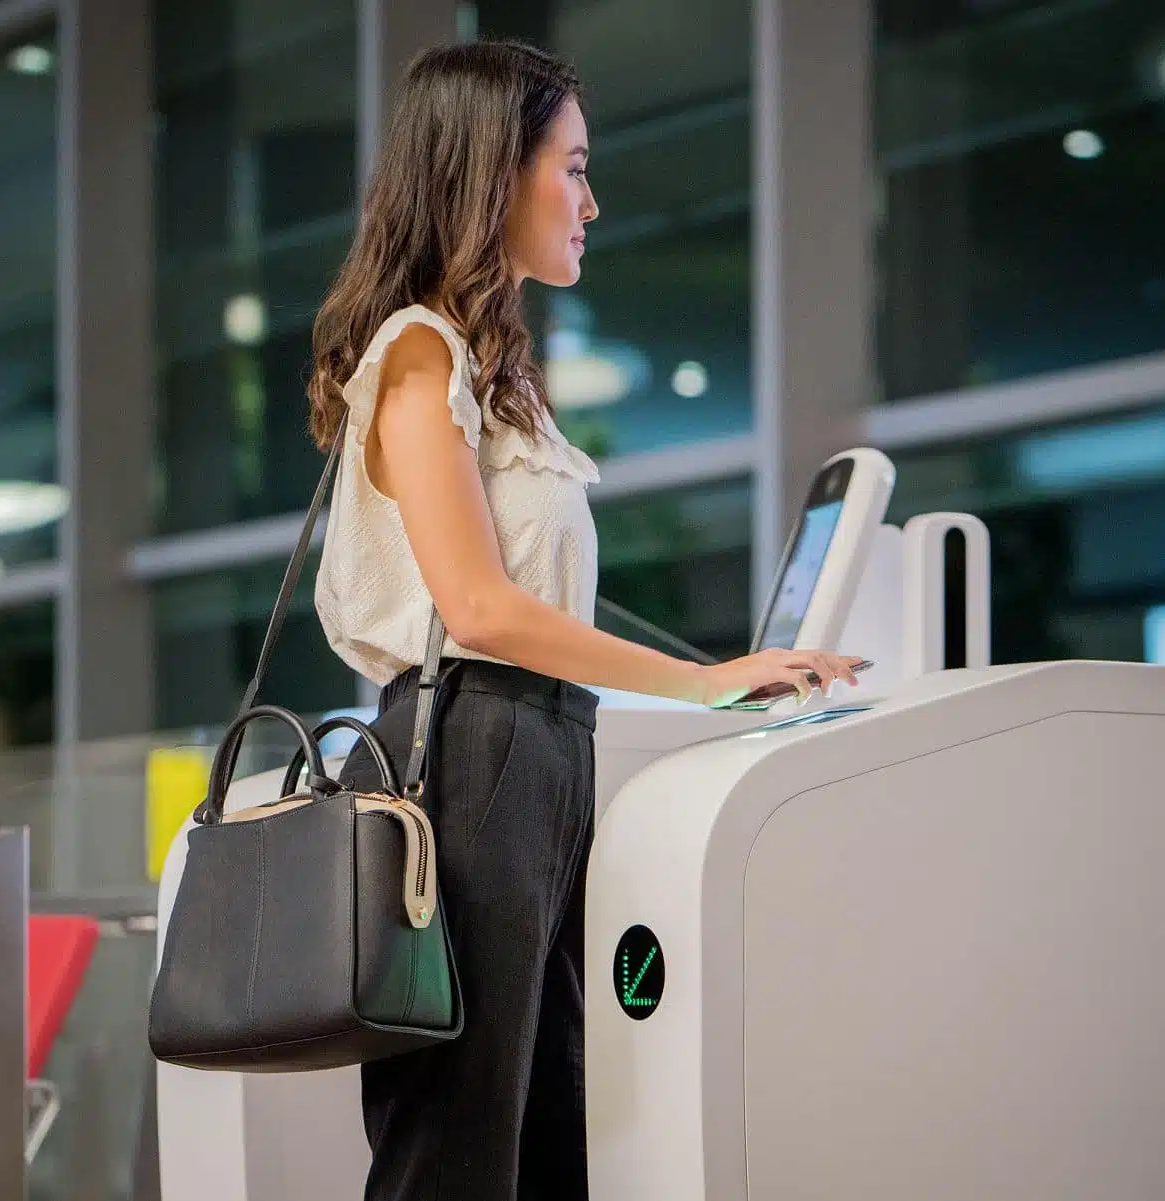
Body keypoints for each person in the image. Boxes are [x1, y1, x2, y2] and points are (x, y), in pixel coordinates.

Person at [308, 39, 863, 1201]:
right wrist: (707, 681)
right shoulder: (421, 351)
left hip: (535, 748)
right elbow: (477, 608)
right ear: (491, 172)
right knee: (460, 1143)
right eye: (571, 166)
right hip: (475, 749)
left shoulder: (485, 365)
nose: (590, 199)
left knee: (543, 1124)